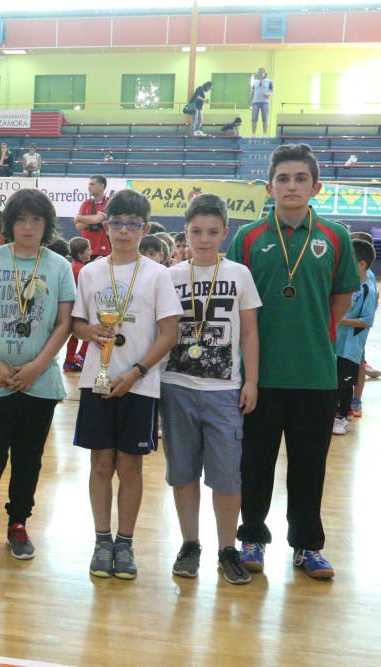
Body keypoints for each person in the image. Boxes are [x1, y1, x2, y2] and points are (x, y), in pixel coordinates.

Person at [226, 143, 359, 579]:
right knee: (255, 464)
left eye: (301, 178)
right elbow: (236, 304)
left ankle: (307, 546)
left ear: (316, 186)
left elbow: (340, 300)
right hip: (258, 377)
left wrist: (311, 331)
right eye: (283, 178)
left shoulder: (335, 236)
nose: (292, 186)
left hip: (316, 375)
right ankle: (252, 538)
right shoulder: (247, 238)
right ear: (269, 186)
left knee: (309, 466)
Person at [0, 189, 76, 561]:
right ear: (10, 224)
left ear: (46, 225)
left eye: (36, 220)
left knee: (29, 458)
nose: (28, 226)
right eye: (21, 220)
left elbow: (64, 322)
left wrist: (37, 366)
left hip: (39, 383)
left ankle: (18, 523)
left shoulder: (57, 266)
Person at [71, 189, 181, 579]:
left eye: (132, 224)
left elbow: (169, 332)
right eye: (117, 223)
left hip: (139, 383)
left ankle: (126, 543)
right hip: (96, 382)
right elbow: (77, 324)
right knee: (101, 463)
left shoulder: (159, 276)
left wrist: (136, 370)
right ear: (107, 225)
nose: (123, 231)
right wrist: (92, 331)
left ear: (144, 228)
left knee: (130, 466)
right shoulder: (90, 273)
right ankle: (103, 541)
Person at [160, 194, 261, 584]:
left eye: (212, 232)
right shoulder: (169, 277)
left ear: (225, 233)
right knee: (182, 473)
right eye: (196, 231)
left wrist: (250, 380)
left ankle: (227, 548)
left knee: (226, 477)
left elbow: (250, 332)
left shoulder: (239, 274)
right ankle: (190, 544)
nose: (204, 239)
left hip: (224, 390)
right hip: (176, 385)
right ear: (185, 232)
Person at [332, 239, 376, 435]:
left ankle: (343, 416)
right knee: (334, 380)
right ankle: (334, 413)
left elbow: (366, 321)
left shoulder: (368, 289)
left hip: (351, 347)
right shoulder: (347, 283)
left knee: (345, 382)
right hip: (336, 343)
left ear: (361, 264)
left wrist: (339, 320)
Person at [63, 236, 91, 373]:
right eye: (88, 249)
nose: (91, 252)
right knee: (91, 331)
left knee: (74, 336)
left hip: (72, 308)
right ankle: (81, 355)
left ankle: (69, 363)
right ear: (80, 253)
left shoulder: (73, 266)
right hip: (79, 308)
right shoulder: (81, 270)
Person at [74, 175, 112, 259]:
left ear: (102, 186)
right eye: (88, 184)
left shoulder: (109, 202)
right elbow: (78, 225)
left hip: (105, 250)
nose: (89, 187)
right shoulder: (86, 204)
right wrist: (94, 221)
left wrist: (79, 218)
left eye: (92, 184)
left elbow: (97, 219)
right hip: (88, 251)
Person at [249, 67, 274, 137]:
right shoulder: (255, 82)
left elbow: (271, 91)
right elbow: (252, 92)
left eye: (261, 72)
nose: (260, 73)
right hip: (255, 102)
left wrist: (268, 94)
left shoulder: (269, 81)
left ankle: (264, 135)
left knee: (265, 119)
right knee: (254, 119)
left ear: (264, 73)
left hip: (265, 102)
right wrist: (250, 103)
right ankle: (253, 134)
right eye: (259, 72)